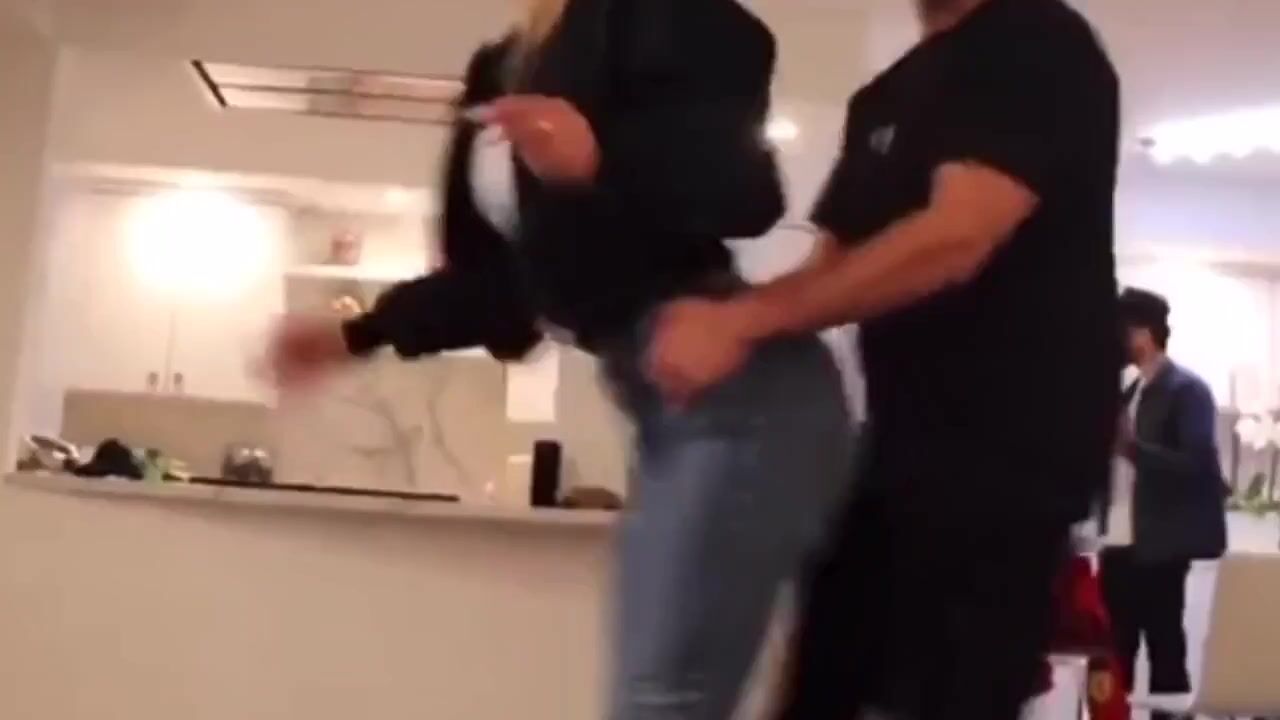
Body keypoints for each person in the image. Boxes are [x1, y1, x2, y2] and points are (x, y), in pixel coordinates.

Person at [268, 0, 856, 717]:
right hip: (662, 399)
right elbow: (512, 281)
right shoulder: (503, 67)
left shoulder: (664, 16)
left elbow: (746, 192)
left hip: (749, 403)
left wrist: (601, 159)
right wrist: (354, 335)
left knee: (664, 698)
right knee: (661, 694)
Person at [647, 0, 1121, 717]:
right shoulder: (885, 96)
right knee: (821, 690)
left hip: (1005, 464)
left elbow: (958, 235)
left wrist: (742, 321)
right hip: (893, 457)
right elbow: (829, 269)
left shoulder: (1036, 39)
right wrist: (721, 330)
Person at [1101, 287, 1227, 720]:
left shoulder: (1187, 390)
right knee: (1113, 653)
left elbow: (1197, 465)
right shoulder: (1129, 391)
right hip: (1117, 543)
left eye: (1120, 331)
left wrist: (1131, 448)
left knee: (1165, 649)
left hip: (1160, 546)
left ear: (1144, 333)